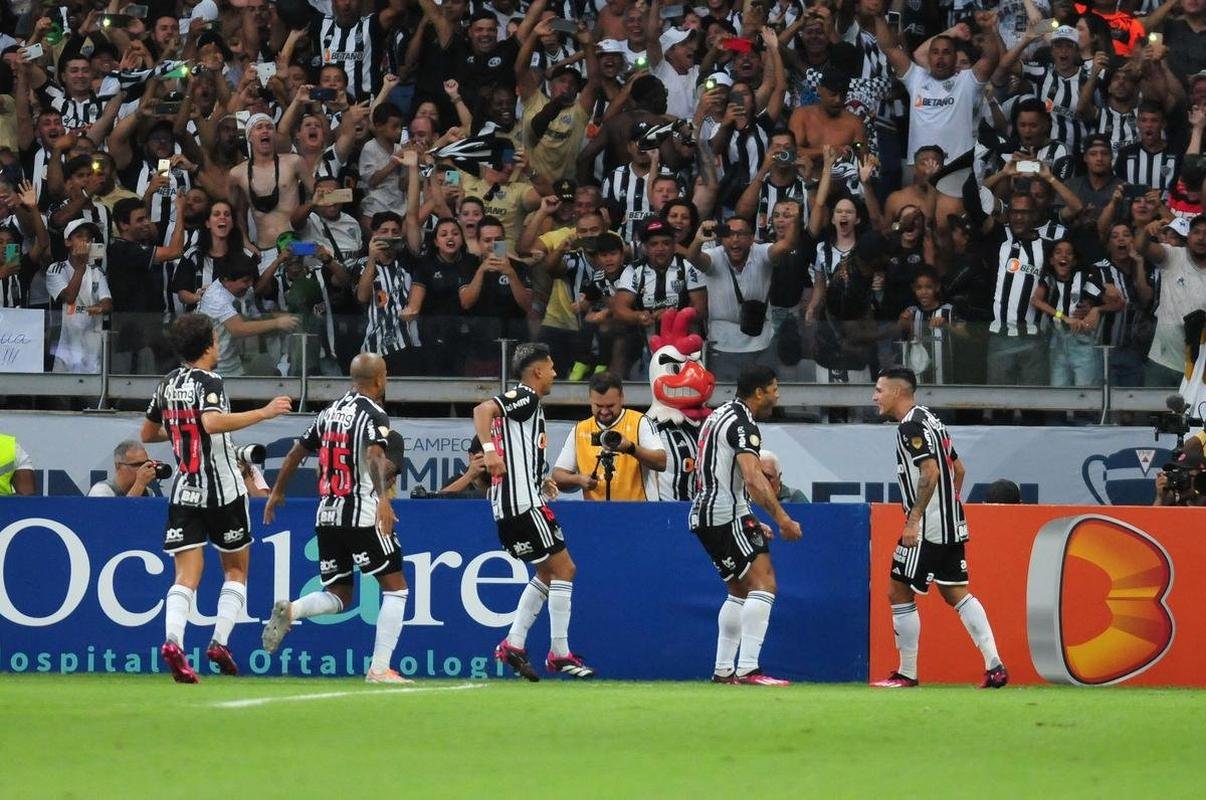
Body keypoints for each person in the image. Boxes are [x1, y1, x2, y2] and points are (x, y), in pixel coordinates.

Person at [140, 313, 293, 683]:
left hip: (185, 489)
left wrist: (181, 433)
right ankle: (219, 641)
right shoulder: (211, 381)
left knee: (185, 576)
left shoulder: (167, 383)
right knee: (236, 571)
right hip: (222, 491)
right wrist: (264, 411)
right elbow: (210, 422)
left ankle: (173, 640)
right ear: (209, 345)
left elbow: (147, 433)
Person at [262, 353, 412, 684]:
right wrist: (383, 500)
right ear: (379, 379)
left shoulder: (329, 413)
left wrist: (276, 492)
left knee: (340, 595)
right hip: (361, 511)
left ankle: (293, 610)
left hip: (327, 514)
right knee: (396, 589)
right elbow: (374, 455)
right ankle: (379, 669)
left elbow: (296, 452)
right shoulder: (375, 413)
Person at [870, 367, 1008, 689]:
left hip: (928, 528)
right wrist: (950, 506)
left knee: (898, 590)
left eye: (879, 390)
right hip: (951, 525)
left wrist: (915, 519)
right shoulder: (932, 420)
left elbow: (929, 472)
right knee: (955, 592)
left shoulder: (910, 427)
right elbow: (959, 469)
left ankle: (907, 673)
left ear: (898, 392)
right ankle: (995, 664)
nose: (875, 397)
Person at [472, 342, 595, 680]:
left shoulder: (529, 406)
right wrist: (489, 451)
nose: (556, 373)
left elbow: (518, 449)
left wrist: (541, 479)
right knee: (565, 569)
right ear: (537, 371)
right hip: (522, 506)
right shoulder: (524, 397)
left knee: (547, 573)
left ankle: (514, 643)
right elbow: (482, 410)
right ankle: (559, 652)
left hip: (516, 503)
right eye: (552, 367)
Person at [688, 365, 803, 686]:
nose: (777, 395)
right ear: (759, 393)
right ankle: (749, 668)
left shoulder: (719, 415)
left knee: (738, 590)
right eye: (774, 388)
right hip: (724, 512)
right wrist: (782, 518)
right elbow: (753, 477)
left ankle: (724, 670)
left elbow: (722, 473)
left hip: (708, 514)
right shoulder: (743, 424)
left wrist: (749, 518)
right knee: (764, 584)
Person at [551, 371, 666, 501]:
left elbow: (661, 462)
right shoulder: (580, 430)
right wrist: (579, 479)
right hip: (595, 515)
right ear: (590, 399)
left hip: (637, 513)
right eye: (598, 406)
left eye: (611, 406)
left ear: (622, 397)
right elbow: (558, 475)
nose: (604, 412)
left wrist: (631, 448)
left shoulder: (640, 422)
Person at [88, 440, 162, 497]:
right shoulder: (101, 491)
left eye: (146, 463)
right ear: (118, 466)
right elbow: (116, 516)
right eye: (137, 464)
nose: (143, 468)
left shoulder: (148, 493)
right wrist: (139, 485)